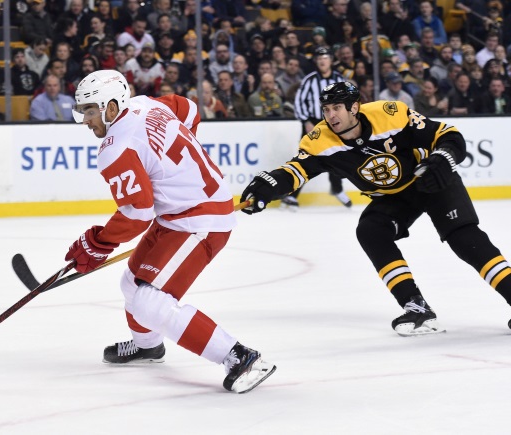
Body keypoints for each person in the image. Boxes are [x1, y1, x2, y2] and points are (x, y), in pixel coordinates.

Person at [239, 81, 511, 336]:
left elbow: (447, 135)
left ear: (354, 108)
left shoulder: (389, 114)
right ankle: (416, 307)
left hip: (428, 179)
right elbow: (295, 171)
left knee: (464, 239)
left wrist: (443, 158)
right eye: (326, 109)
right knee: (370, 230)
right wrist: (269, 186)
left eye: (336, 108)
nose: (330, 116)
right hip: (393, 196)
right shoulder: (319, 140)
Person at [69, 69, 276, 393]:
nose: (85, 120)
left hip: (198, 220)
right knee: (131, 282)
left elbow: (138, 214)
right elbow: (187, 108)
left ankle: (240, 357)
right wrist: (178, 166)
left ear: (111, 107)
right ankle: (148, 345)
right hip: (180, 213)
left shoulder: (115, 147)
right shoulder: (146, 104)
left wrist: (98, 242)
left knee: (149, 301)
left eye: (90, 111)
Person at [287, 46, 352, 208]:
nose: (322, 61)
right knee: (305, 157)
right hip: (312, 123)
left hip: (333, 123)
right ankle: (293, 194)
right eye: (319, 58)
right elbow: (299, 102)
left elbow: (346, 102)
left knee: (337, 156)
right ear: (316, 61)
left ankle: (337, 189)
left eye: (325, 57)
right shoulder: (309, 80)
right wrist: (306, 121)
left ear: (331, 60)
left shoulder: (338, 79)